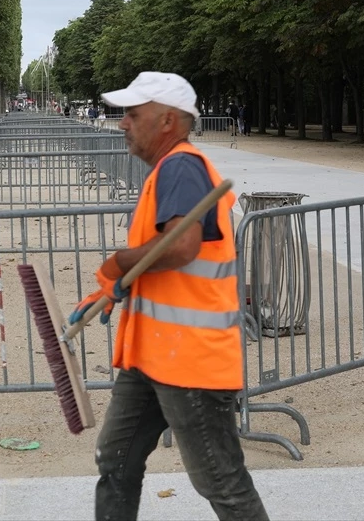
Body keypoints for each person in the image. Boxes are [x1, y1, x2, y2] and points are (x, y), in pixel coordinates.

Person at [70, 72, 267, 521]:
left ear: (168, 121)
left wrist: (119, 264)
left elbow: (180, 246)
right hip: (154, 357)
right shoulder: (168, 171)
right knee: (115, 458)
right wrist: (117, 283)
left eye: (133, 115)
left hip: (189, 361)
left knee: (221, 480)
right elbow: (163, 258)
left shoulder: (181, 165)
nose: (123, 124)